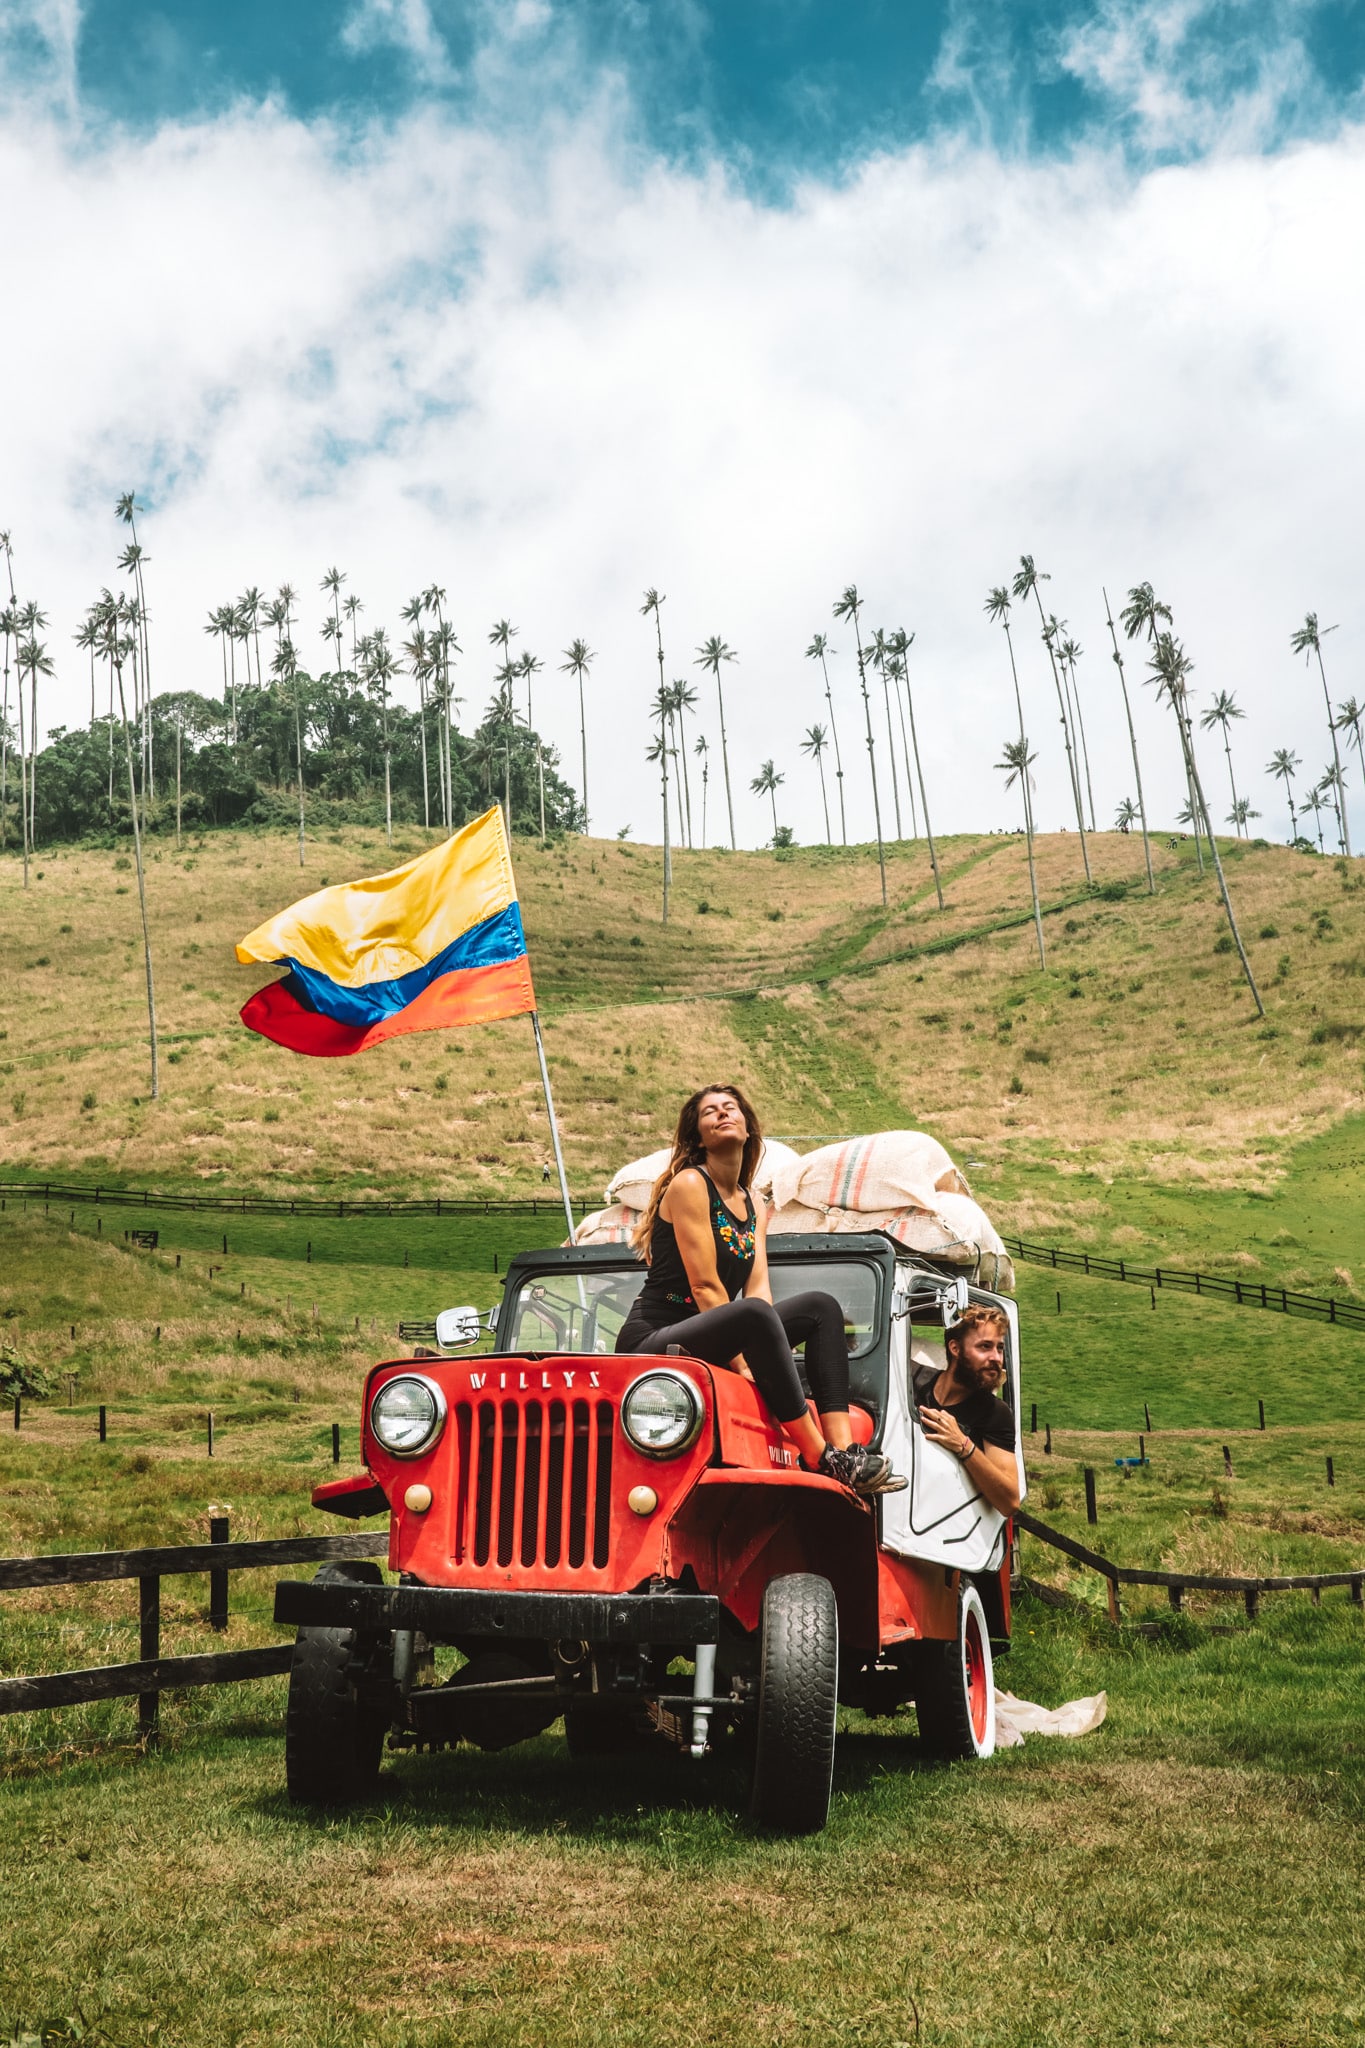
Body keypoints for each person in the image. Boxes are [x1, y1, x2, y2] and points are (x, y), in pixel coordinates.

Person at [616, 1084, 906, 1497]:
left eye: (730, 1108)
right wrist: (747, 1364)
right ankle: (819, 1455)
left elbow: (759, 1287)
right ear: (698, 1137)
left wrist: (768, 1352)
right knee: (750, 1315)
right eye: (710, 1112)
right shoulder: (689, 1184)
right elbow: (704, 1287)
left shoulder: (754, 1202)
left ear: (748, 1127)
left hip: (713, 1333)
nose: (722, 1114)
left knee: (821, 1308)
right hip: (657, 1337)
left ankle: (846, 1452)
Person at [912, 1304, 1021, 1514]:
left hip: (951, 1528)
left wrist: (963, 1445)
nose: (996, 1358)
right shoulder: (912, 1379)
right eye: (985, 1347)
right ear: (955, 1349)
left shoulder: (994, 1413)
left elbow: (1010, 1502)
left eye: (999, 1348)